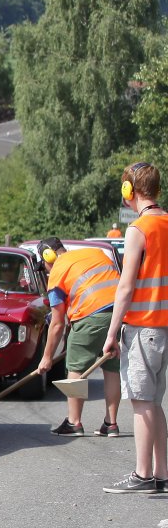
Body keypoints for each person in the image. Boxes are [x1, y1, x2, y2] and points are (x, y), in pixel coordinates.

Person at [102, 162, 168, 492]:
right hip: (163, 329)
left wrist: (112, 333)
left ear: (129, 190)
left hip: (143, 327)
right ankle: (162, 474)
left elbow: (126, 287)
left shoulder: (138, 229)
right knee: (153, 402)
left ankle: (143, 474)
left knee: (141, 403)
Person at [36, 236, 121, 437]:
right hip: (119, 315)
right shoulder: (95, 254)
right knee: (111, 368)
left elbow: (57, 323)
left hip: (90, 318)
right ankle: (111, 424)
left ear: (48, 256)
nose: (46, 270)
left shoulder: (57, 272)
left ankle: (74, 422)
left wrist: (46, 358)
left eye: (44, 266)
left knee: (76, 368)